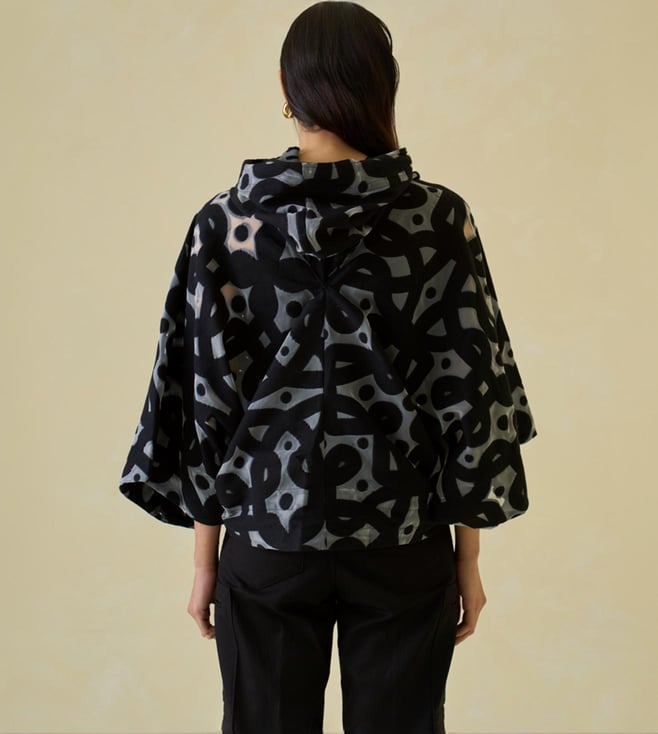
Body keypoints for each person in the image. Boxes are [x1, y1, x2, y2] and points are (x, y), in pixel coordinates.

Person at [118, 2, 538, 733]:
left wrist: (205, 561)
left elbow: (201, 401)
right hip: (403, 539)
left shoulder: (224, 225)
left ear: (288, 88)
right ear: (383, 87)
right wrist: (468, 559)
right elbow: (472, 394)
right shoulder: (439, 221)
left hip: (266, 540)